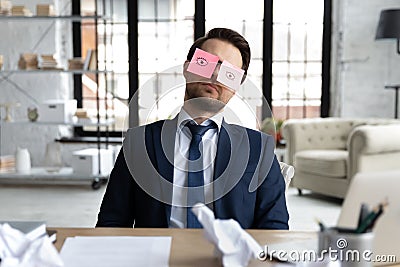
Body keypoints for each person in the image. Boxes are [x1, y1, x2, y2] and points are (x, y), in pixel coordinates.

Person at [96, 28, 289, 229]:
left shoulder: (260, 148)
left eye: (229, 73)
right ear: (187, 68)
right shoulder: (139, 142)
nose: (215, 75)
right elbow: (112, 221)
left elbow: (274, 226)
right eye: (207, 63)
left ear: (237, 86)